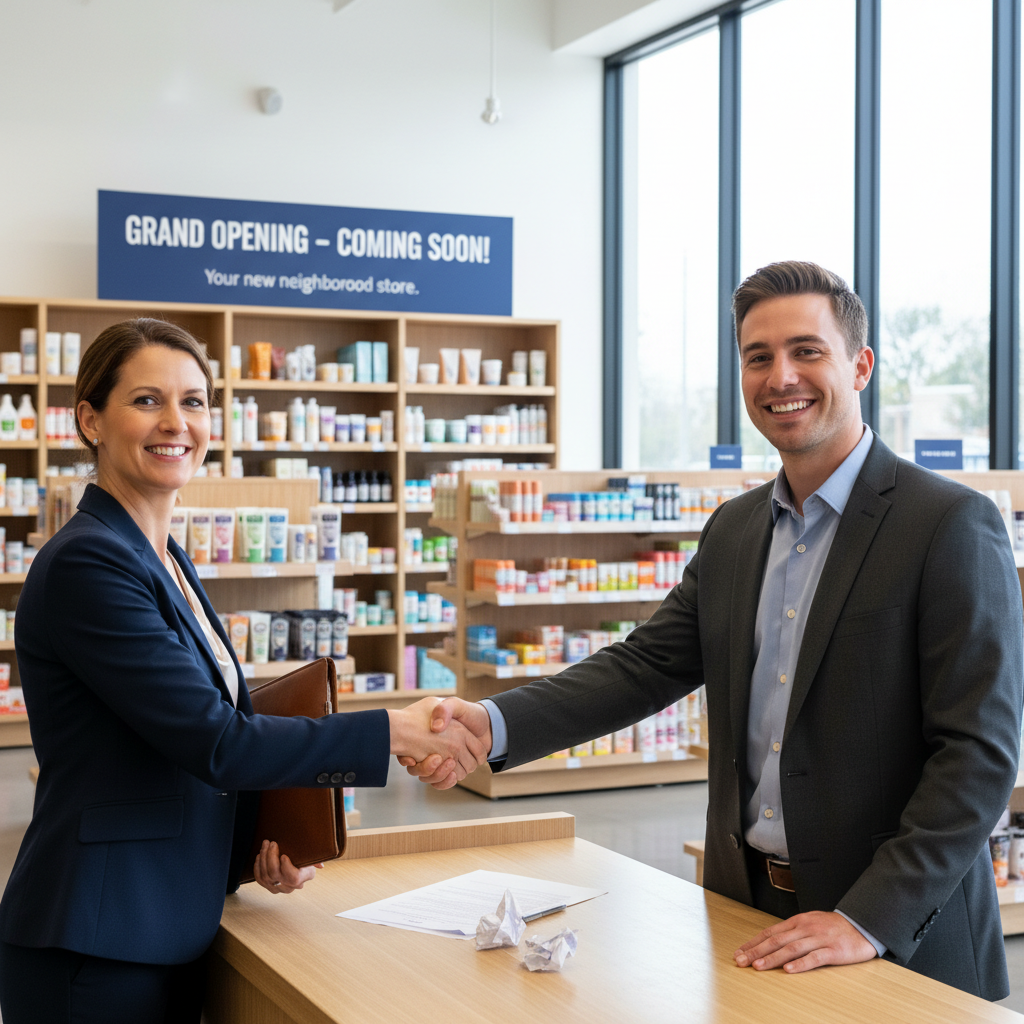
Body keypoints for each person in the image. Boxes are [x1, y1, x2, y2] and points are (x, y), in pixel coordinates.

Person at [403, 261, 1024, 999]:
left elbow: (978, 752)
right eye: (758, 357)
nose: (780, 376)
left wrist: (868, 919)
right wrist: (491, 723)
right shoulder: (734, 529)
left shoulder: (947, 523)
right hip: (744, 912)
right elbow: (644, 667)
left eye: (806, 350)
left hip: (891, 938)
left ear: (860, 366)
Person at [0, 318, 486, 1024]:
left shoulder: (164, 559)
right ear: (90, 420)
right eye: (147, 400)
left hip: (166, 914)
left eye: (194, 402)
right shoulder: (88, 563)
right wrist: (395, 731)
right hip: (100, 939)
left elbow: (194, 737)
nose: (177, 422)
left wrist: (263, 842)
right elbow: (217, 740)